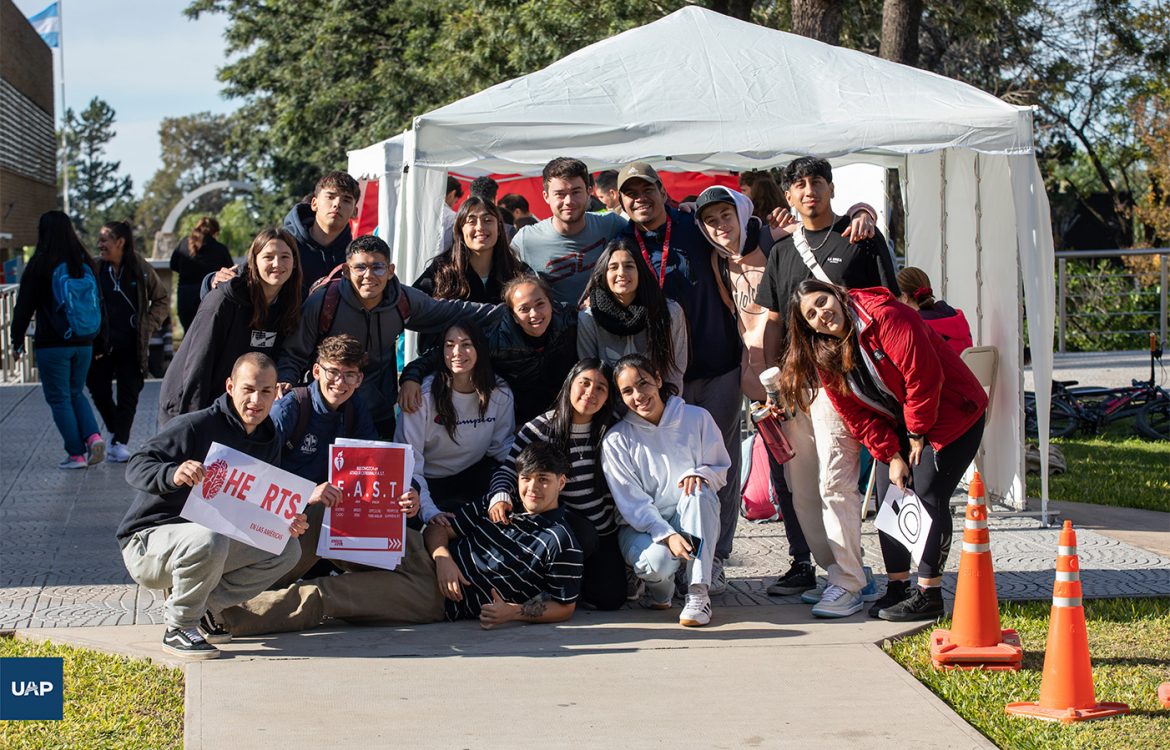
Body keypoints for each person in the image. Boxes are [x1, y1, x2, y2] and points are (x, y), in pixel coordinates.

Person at [694, 185, 877, 596]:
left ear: (742, 213)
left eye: (727, 215)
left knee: (827, 477)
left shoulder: (770, 237)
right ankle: (803, 562)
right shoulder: (717, 259)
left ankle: (847, 570)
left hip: (802, 379)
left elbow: (821, 227)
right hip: (761, 388)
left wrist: (863, 211)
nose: (721, 226)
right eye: (711, 220)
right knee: (787, 479)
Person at [781, 280, 987, 621]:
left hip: (952, 414)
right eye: (811, 314)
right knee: (889, 496)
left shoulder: (886, 315)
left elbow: (923, 375)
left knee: (924, 494)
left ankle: (928, 593)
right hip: (902, 427)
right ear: (807, 326)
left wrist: (917, 434)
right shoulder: (824, 353)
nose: (822, 313)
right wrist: (891, 454)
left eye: (822, 301)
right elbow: (855, 414)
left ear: (838, 294)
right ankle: (897, 586)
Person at [219, 442, 582, 634]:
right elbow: (441, 525)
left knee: (329, 595)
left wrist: (512, 613)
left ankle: (224, 614)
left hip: (439, 600)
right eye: (527, 478)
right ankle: (234, 580)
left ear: (561, 483)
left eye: (544, 480)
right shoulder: (499, 503)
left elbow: (565, 606)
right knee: (328, 520)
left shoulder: (561, 540)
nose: (532, 488)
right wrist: (442, 556)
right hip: (425, 556)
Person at [754, 156, 900, 618]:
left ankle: (848, 581)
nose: (808, 190)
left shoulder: (861, 236)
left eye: (816, 182)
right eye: (798, 185)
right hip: (796, 386)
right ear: (789, 197)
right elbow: (773, 321)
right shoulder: (781, 251)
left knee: (836, 482)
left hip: (846, 382)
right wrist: (769, 384)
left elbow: (889, 307)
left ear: (831, 188)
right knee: (802, 488)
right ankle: (839, 567)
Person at [116, 353, 310, 659]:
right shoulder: (196, 426)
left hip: (208, 540)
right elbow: (137, 464)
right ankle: (179, 626)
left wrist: (284, 521)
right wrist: (172, 473)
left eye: (265, 391)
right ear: (230, 387)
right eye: (248, 389)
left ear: (276, 392)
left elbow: (256, 504)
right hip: (148, 542)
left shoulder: (269, 438)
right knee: (210, 537)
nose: (256, 400)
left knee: (287, 548)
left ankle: (201, 607)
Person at [616, 161, 742, 595]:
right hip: (660, 380)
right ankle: (667, 552)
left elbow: (745, 229)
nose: (640, 199)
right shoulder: (619, 240)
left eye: (646, 189)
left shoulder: (693, 226)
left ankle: (717, 557)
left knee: (715, 466)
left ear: (661, 189)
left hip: (715, 365)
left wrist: (861, 210)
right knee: (667, 473)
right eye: (630, 193)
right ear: (620, 200)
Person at [277, 234, 497, 439]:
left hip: (377, 411)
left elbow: (451, 312)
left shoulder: (402, 300)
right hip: (327, 408)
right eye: (360, 267)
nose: (369, 276)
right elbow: (294, 353)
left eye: (377, 267)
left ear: (391, 270)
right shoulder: (323, 302)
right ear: (346, 271)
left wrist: (511, 311)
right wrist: (285, 382)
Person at [265, 333, 414, 588]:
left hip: (336, 517)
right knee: (321, 509)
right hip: (283, 519)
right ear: (316, 371)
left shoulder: (356, 409)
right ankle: (263, 587)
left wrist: (405, 493)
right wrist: (306, 494)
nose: (339, 382)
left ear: (359, 379)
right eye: (332, 371)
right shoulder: (290, 408)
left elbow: (374, 468)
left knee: (406, 548)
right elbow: (259, 475)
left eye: (349, 375)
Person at [487, 358, 626, 610]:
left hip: (605, 530)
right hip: (561, 528)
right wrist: (500, 494)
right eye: (584, 384)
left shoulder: (613, 428)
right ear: (570, 384)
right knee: (583, 535)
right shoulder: (540, 429)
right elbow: (507, 469)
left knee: (610, 599)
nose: (590, 393)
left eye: (600, 388)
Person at [603, 354, 729, 627]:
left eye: (644, 383)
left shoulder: (697, 418)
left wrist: (700, 473)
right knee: (656, 564)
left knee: (699, 491)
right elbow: (631, 503)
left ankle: (697, 592)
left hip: (689, 517)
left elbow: (719, 468)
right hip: (642, 527)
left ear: (658, 380)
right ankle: (660, 591)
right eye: (627, 391)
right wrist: (666, 534)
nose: (639, 395)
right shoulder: (617, 439)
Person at [159, 228, 303, 424]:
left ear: (294, 263)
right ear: (253, 262)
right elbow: (198, 366)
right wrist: (193, 423)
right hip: (190, 406)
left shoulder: (287, 305)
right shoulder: (224, 300)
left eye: (285, 256)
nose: (277, 264)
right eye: (268, 257)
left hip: (237, 409)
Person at [399, 275, 576, 426]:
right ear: (513, 315)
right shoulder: (495, 337)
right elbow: (440, 356)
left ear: (551, 303)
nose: (534, 314)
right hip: (513, 421)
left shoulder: (569, 322)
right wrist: (411, 378)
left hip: (562, 415)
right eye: (524, 309)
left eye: (540, 304)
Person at [10, 210, 107, 469]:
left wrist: (16, 341)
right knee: (76, 392)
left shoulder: (41, 263)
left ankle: (76, 454)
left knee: (59, 398)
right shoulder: (83, 261)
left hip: (53, 345)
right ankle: (93, 436)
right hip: (84, 342)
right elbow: (99, 305)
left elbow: (23, 307)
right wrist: (99, 341)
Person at [395, 320, 515, 523]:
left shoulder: (500, 393)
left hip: (472, 475)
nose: (457, 352)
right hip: (425, 482)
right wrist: (429, 512)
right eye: (449, 345)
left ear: (480, 348)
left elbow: (502, 447)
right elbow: (408, 463)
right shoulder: (422, 396)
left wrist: (530, 470)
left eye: (466, 344)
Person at [87, 221, 169, 462]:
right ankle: (116, 431)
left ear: (120, 242)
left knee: (129, 393)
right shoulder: (95, 268)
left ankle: (120, 441)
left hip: (132, 344)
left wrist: (148, 324)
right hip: (101, 345)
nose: (100, 245)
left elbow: (162, 299)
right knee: (97, 389)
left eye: (105, 240)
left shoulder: (139, 268)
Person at [205, 172, 359, 297]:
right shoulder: (281, 242)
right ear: (314, 203)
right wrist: (212, 281)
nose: (337, 204)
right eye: (330, 196)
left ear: (354, 211)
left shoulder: (356, 256)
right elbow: (243, 277)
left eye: (346, 200)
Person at [412, 195, 531, 354]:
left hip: (506, 368)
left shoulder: (517, 273)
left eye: (488, 220)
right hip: (454, 367)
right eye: (471, 221)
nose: (480, 227)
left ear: (499, 228)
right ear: (460, 229)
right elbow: (416, 309)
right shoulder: (441, 271)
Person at [510, 157, 627, 305]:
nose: (568, 201)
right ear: (546, 197)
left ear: (589, 192)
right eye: (560, 194)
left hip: (605, 323)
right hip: (554, 326)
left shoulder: (611, 224)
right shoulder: (525, 240)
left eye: (576, 192)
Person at [576, 238, 688, 393]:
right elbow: (590, 374)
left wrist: (667, 411)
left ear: (640, 271)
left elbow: (675, 372)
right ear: (603, 273)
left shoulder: (670, 312)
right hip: (610, 409)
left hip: (658, 406)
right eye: (613, 267)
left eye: (629, 266)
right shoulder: (588, 318)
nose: (621, 273)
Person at [170, 217, 233, 332]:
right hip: (208, 295)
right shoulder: (219, 249)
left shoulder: (184, 243)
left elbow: (173, 264)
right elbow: (230, 272)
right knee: (206, 333)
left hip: (185, 294)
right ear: (215, 232)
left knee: (188, 333)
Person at [895, 266, 974, 355]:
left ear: (905, 297)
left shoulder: (917, 327)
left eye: (896, 298)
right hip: (969, 368)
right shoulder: (955, 316)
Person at [440, 175, 463, 252]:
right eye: (455, 201)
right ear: (452, 194)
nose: (453, 205)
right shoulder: (452, 217)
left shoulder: (421, 210)